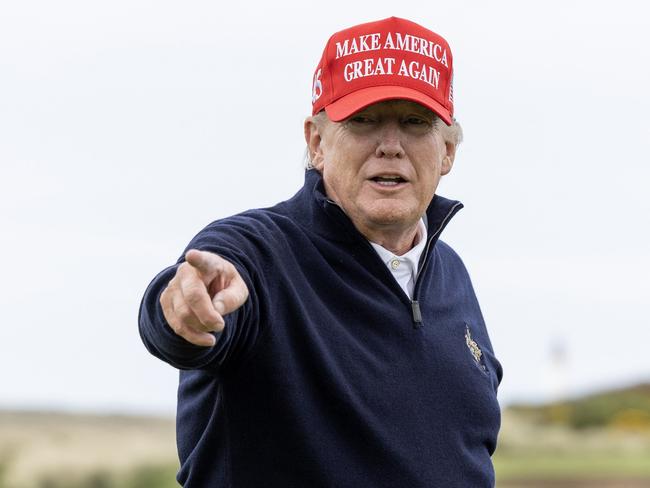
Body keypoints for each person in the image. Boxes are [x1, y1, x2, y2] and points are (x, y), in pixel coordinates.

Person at [139, 16, 503, 488]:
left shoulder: (451, 274)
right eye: (363, 121)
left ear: (448, 151)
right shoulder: (258, 253)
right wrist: (181, 312)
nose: (390, 146)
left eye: (415, 123)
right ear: (316, 141)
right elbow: (185, 307)